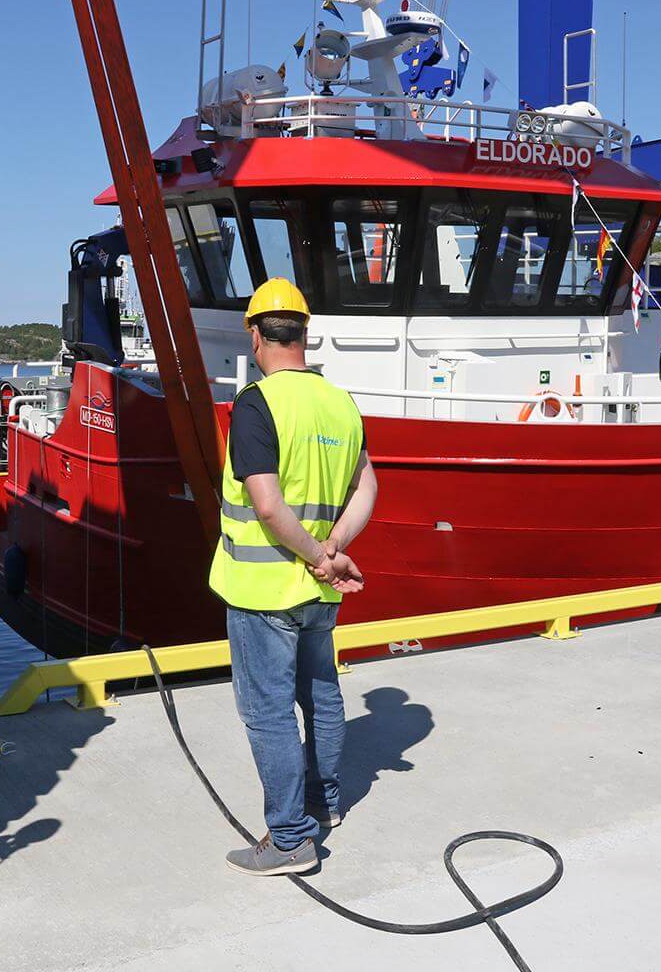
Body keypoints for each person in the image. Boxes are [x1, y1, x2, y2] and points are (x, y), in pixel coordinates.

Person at [210, 278, 379, 876]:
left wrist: (314, 552)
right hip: (320, 592)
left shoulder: (257, 405)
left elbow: (268, 507)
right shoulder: (341, 403)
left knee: (269, 712)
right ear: (306, 334)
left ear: (255, 336)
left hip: (264, 592)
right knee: (322, 694)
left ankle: (288, 839)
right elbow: (368, 487)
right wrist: (334, 549)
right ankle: (323, 804)